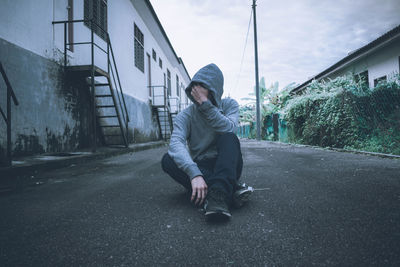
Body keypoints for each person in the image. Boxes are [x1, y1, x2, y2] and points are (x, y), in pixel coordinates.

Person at [161, 63, 253, 220]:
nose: (196, 92)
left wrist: (206, 106)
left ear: (214, 89)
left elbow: (230, 129)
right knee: (168, 159)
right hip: (201, 167)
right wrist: (194, 174)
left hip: (227, 164)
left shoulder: (229, 104)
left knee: (229, 137)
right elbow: (176, 144)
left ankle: (215, 194)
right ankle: (225, 192)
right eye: (194, 87)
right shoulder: (185, 115)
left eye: (201, 87)